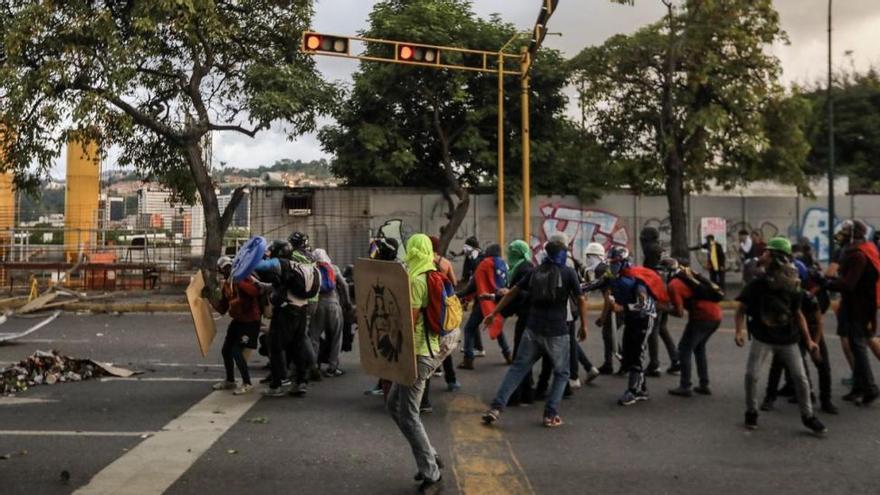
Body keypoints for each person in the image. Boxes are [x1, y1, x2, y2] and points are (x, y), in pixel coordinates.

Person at [481, 240, 588, 427]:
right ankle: (550, 414)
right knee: (562, 373)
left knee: (518, 368)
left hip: (532, 328)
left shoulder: (534, 272)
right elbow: (581, 299)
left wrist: (494, 313)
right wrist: (584, 325)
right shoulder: (568, 273)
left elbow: (512, 292)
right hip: (557, 331)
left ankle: (496, 408)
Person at [735, 237, 827, 434]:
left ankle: (808, 416)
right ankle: (751, 412)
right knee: (751, 375)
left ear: (777, 257)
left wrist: (809, 340)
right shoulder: (758, 284)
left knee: (800, 379)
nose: (763, 255)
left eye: (767, 252)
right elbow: (741, 308)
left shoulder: (793, 286)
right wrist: (739, 331)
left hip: (788, 340)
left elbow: (798, 314)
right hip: (762, 338)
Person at [386, 234, 448, 493]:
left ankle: (431, 472)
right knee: (394, 405)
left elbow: (408, 325)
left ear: (412, 250)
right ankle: (430, 456)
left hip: (418, 354)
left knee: (409, 414)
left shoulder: (415, 280)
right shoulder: (432, 273)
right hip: (428, 350)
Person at [761, 257, 838, 414]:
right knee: (780, 362)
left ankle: (826, 400)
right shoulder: (780, 294)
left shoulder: (808, 297)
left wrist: (814, 343)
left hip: (810, 330)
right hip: (791, 331)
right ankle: (771, 398)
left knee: (822, 364)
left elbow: (818, 322)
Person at [825, 220, 880, 405]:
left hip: (859, 306)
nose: (840, 234)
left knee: (858, 345)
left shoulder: (858, 255)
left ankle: (870, 388)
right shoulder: (855, 251)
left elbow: (849, 283)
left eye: (845, 231)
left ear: (853, 234)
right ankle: (858, 387)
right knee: (856, 342)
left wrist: (829, 283)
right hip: (854, 304)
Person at [261, 240, 321, 398]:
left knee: (275, 346)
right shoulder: (299, 267)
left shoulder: (281, 264)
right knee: (297, 346)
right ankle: (300, 382)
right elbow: (281, 285)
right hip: (302, 310)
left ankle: (277, 384)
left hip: (286, 311)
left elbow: (260, 267)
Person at [665, 258, 722, 397]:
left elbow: (679, 313)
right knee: (698, 347)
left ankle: (685, 386)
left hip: (702, 317)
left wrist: (662, 308)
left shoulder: (673, 285)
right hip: (716, 315)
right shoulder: (688, 274)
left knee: (684, 349)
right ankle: (704, 384)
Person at [210, 256, 262, 395]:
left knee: (236, 351)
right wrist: (210, 298)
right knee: (226, 350)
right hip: (238, 321)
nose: (227, 271)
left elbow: (255, 291)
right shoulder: (227, 284)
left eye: (228, 267)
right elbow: (223, 308)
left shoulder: (244, 277)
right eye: (224, 269)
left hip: (250, 321)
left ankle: (247, 383)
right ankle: (230, 380)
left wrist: (239, 282)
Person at [457, 244, 512, 369]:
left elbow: (473, 286)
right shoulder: (503, 264)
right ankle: (508, 354)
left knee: (469, 328)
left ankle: (468, 359)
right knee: (497, 327)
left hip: (485, 302)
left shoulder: (484, 264)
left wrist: (458, 295)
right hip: (499, 302)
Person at [364, 236, 401, 397]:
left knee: (392, 354)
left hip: (392, 318)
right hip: (384, 317)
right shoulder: (390, 266)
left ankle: (389, 389)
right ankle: (384, 385)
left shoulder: (395, 269)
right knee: (385, 352)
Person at [500, 239, 535, 406]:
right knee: (523, 356)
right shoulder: (520, 267)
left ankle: (519, 395)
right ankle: (525, 393)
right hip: (526, 316)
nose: (509, 254)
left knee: (521, 357)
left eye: (512, 251)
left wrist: (507, 296)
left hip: (528, 317)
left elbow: (523, 293)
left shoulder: (525, 268)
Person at [643, 227, 680, 377]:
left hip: (657, 293)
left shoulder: (651, 250)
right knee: (662, 328)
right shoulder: (661, 250)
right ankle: (676, 360)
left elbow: (650, 274)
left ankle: (654, 364)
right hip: (666, 292)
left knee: (653, 329)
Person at [428, 236, 461, 392]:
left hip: (428, 308)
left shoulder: (421, 263)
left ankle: (425, 389)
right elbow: (454, 283)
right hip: (444, 309)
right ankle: (451, 380)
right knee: (445, 345)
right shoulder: (445, 263)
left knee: (428, 346)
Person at [312, 248, 349, 377]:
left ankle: (314, 366)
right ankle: (332, 368)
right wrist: (347, 303)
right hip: (333, 305)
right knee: (336, 337)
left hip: (318, 306)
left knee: (314, 337)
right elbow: (344, 285)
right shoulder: (333, 268)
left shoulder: (312, 269)